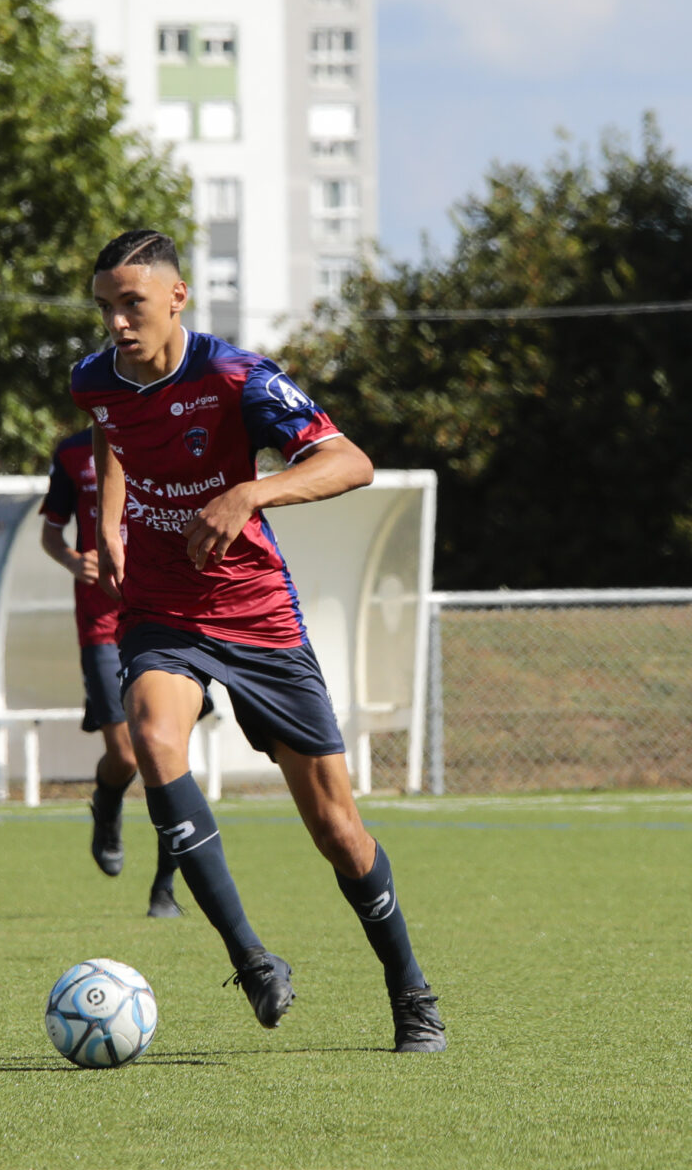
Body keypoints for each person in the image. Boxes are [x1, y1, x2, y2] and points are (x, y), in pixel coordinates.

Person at [77, 229, 444, 1053]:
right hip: (163, 605)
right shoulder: (93, 380)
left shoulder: (237, 377)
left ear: (178, 297)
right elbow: (110, 432)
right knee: (153, 732)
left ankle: (411, 990)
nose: (116, 324)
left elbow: (351, 462)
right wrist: (108, 520)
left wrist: (251, 490)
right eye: (104, 307)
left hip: (255, 611)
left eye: (130, 304)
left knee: (338, 829)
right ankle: (251, 959)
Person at [41, 424, 181, 915]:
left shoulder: (169, 431)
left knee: (168, 758)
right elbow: (51, 533)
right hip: (101, 621)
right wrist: (73, 561)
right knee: (124, 753)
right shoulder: (74, 451)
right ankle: (108, 801)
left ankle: (165, 887)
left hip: (167, 613)